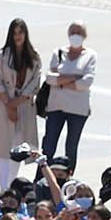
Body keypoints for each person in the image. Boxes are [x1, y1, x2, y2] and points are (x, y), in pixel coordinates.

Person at [0, 19, 42, 183]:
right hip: (4, 106)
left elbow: (35, 82)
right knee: (4, 149)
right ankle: (4, 186)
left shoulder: (34, 58)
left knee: (19, 148)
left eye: (21, 32)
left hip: (24, 106)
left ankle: (11, 185)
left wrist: (17, 102)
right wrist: (9, 105)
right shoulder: (2, 57)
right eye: (15, 33)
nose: (18, 36)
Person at [41, 24, 96, 166]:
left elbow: (86, 81)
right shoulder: (58, 52)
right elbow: (49, 78)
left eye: (79, 32)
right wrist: (74, 77)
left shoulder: (90, 55)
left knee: (71, 147)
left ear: (85, 35)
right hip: (56, 106)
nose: (75, 35)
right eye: (73, 32)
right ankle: (42, 176)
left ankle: (67, 180)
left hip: (78, 109)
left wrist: (61, 82)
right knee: (49, 145)